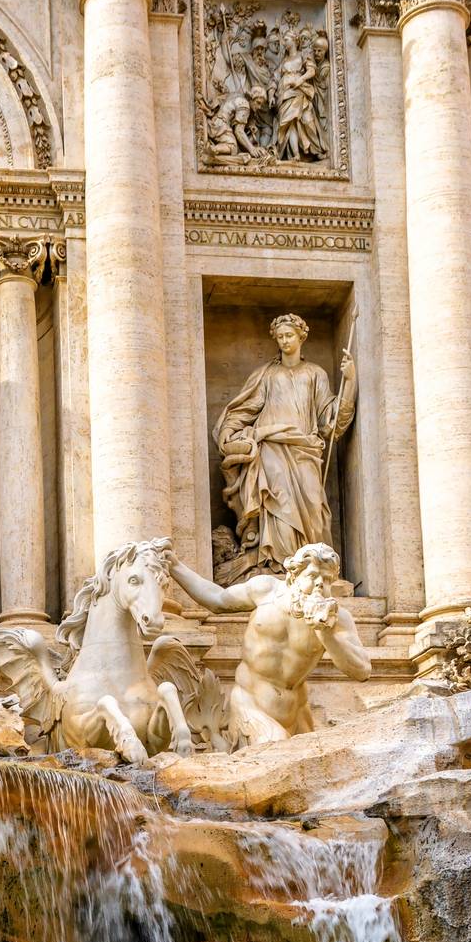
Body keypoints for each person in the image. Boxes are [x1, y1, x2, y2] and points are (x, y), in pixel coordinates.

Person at [167, 543, 371, 747]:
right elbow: (216, 599)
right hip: (251, 706)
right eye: (313, 576)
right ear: (294, 575)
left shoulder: (338, 619)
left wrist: (325, 631)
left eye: (327, 579)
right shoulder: (265, 590)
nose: (320, 584)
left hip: (297, 713)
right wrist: (175, 566)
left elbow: (362, 670)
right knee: (278, 752)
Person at [215, 313, 354, 580]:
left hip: (305, 449)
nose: (284, 341)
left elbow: (331, 420)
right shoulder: (266, 374)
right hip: (272, 448)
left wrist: (350, 382)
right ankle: (277, 564)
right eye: (279, 337)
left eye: (289, 335)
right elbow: (245, 409)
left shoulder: (316, 374)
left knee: (315, 507)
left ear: (302, 337)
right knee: (277, 502)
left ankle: (313, 568)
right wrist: (229, 432)